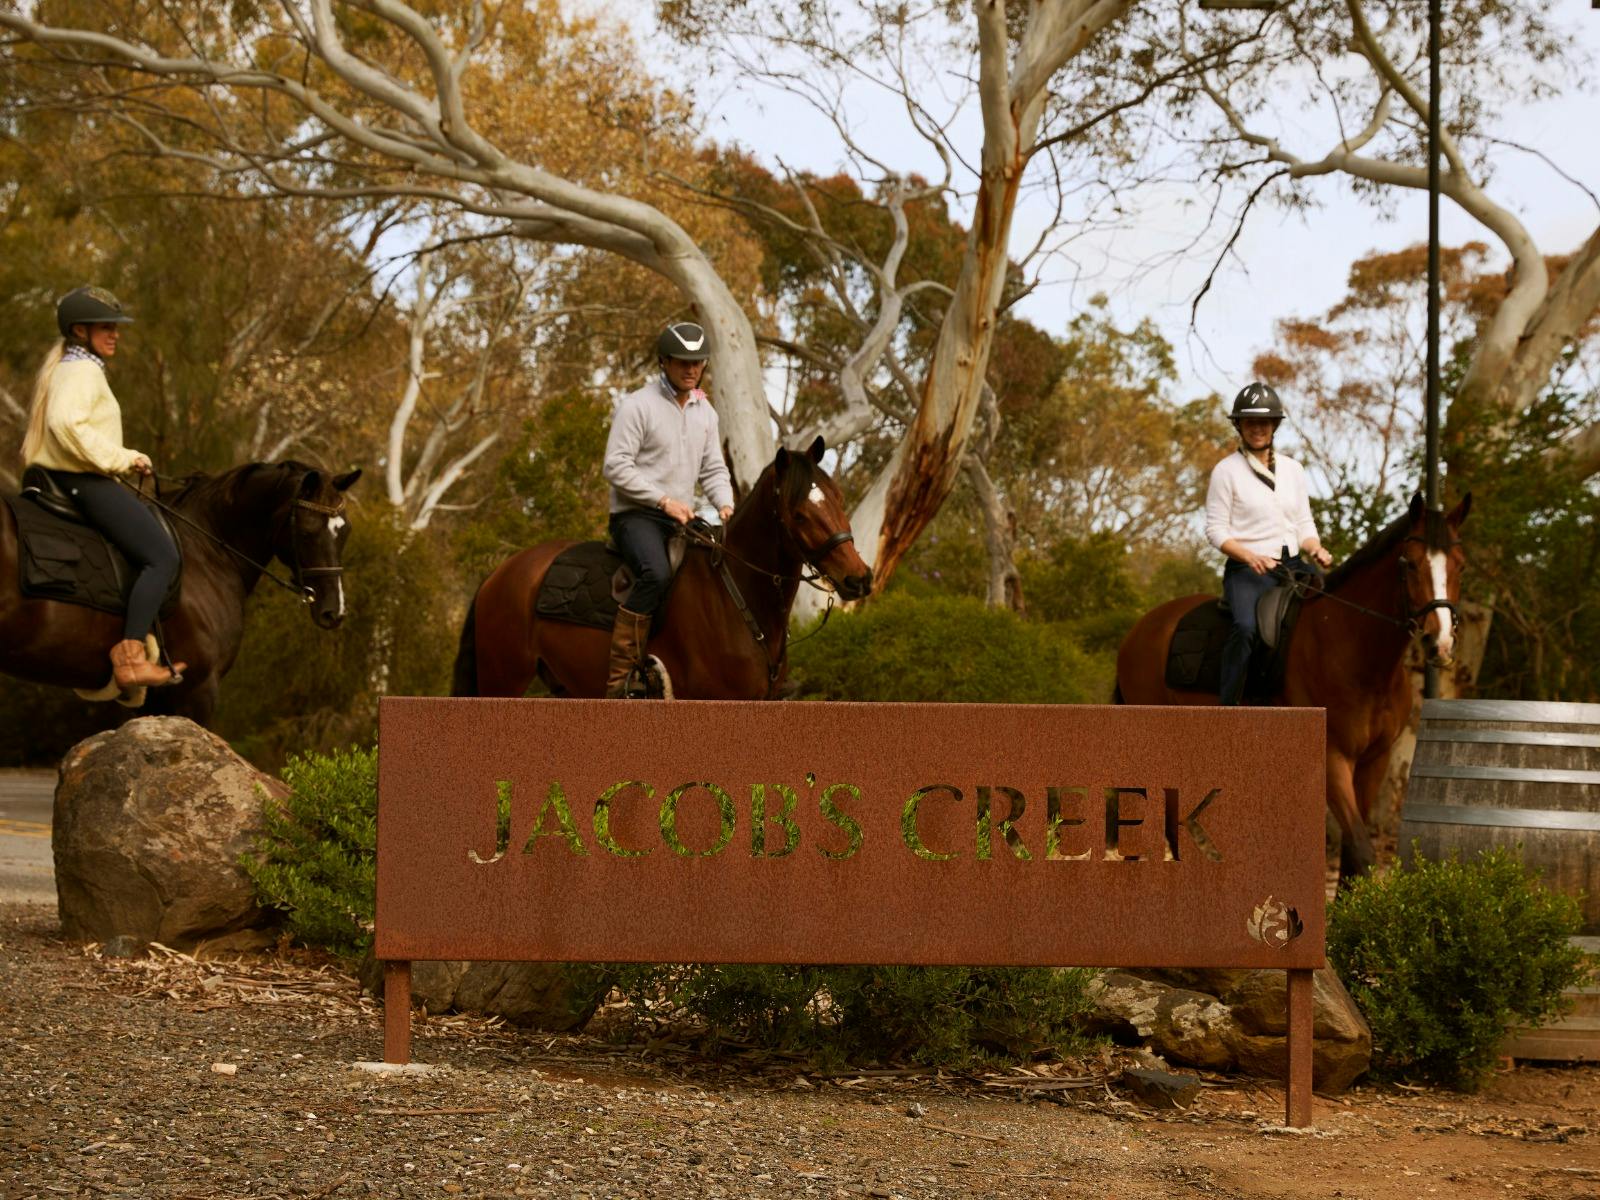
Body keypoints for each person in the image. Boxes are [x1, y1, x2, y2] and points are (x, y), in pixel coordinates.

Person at [20, 286, 185, 690]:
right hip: (82, 480)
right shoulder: (82, 370)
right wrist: (124, 458)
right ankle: (130, 658)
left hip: (65, 477)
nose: (114, 335)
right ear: (80, 330)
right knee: (161, 556)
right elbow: (65, 425)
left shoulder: (69, 366)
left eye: (115, 328)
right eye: (105, 328)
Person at [601, 321, 735, 698]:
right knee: (656, 573)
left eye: (698, 362)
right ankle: (622, 676)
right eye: (682, 362)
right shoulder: (637, 406)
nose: (691, 369)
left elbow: (713, 469)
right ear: (664, 361)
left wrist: (725, 504)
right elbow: (615, 466)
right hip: (636, 516)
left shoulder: (705, 413)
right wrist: (662, 500)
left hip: (683, 519)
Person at [1203, 382, 1332, 706]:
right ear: (1240, 426)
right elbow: (1215, 530)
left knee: (1331, 612)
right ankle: (1228, 707)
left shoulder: (1293, 469)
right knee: (1246, 627)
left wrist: (1315, 547)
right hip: (1248, 571)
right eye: (1250, 423)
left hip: (1292, 565)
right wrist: (1249, 556)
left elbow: (1303, 522)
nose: (1258, 429)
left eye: (1264, 422)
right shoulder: (1226, 471)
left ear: (1274, 426)